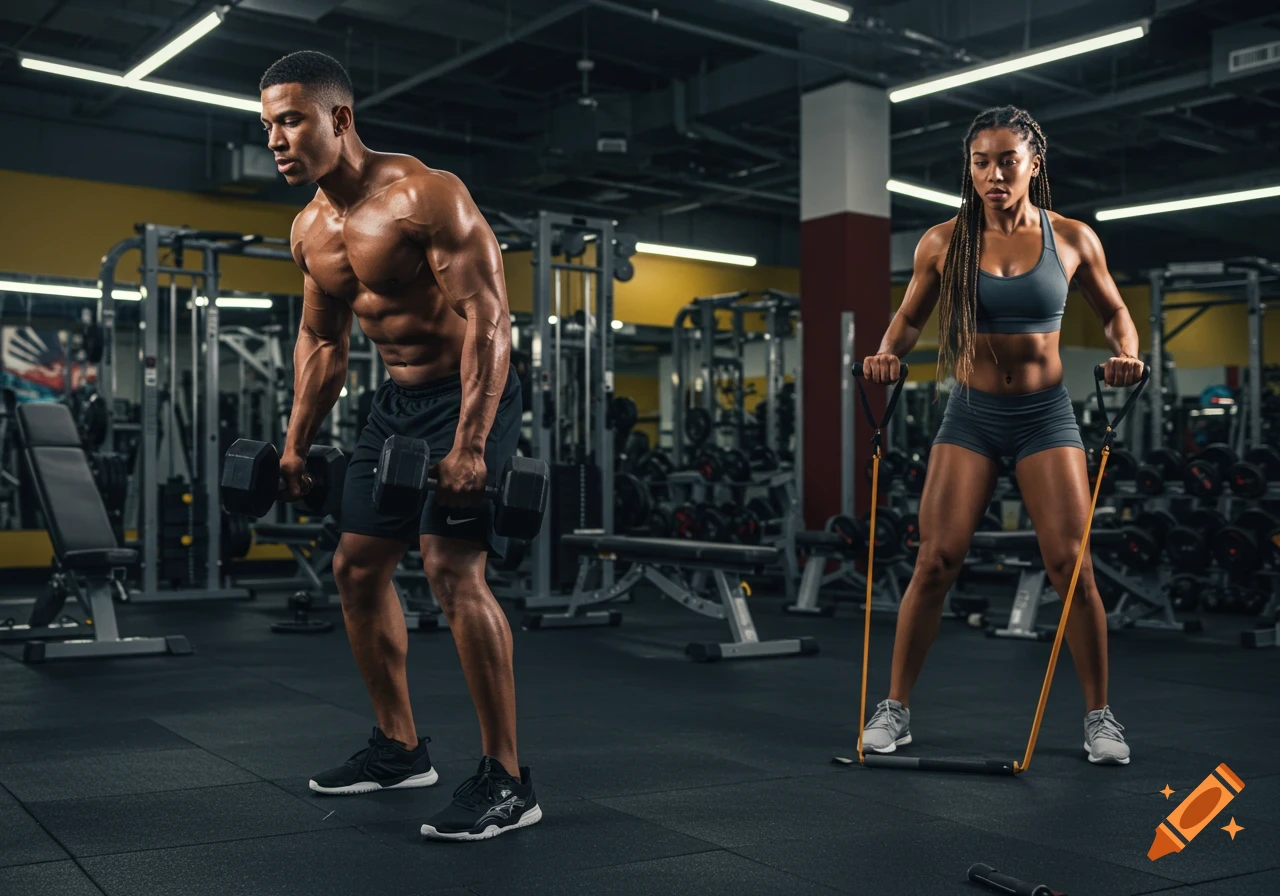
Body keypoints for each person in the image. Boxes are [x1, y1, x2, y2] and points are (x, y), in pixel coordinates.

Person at [259, 50, 540, 840]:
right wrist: (293, 443)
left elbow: (490, 318)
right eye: (267, 126)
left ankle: (508, 779)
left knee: (451, 568)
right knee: (355, 566)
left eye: (290, 120)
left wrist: (473, 444)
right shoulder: (309, 228)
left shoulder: (425, 196)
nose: (276, 140)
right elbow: (322, 343)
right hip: (393, 403)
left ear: (339, 118)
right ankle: (400, 747)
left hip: (471, 394)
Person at [860, 105, 1143, 766]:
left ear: (1033, 165)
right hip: (972, 415)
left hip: (1046, 413)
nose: (993, 174)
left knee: (1070, 567)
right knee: (936, 560)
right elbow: (907, 319)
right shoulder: (943, 240)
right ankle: (895, 709)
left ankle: (1100, 718)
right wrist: (884, 353)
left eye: (1006, 160)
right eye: (980, 161)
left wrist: (1126, 352)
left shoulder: (1072, 238)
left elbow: (1117, 311)